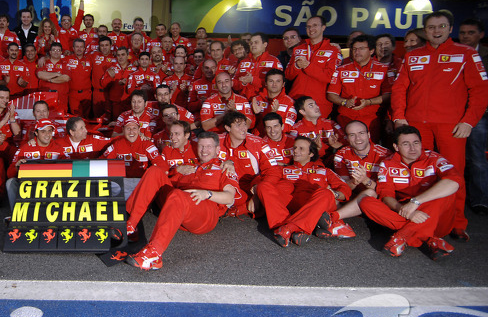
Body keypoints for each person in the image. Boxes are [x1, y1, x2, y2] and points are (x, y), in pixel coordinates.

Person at [392, 10, 488, 240]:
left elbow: (480, 91)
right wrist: (398, 117)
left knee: (452, 174)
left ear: (449, 29)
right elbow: (399, 88)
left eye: (441, 27)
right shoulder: (413, 56)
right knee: (416, 173)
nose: (436, 31)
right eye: (432, 27)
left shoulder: (465, 54)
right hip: (416, 125)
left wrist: (468, 121)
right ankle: (413, 214)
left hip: (451, 126)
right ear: (425, 31)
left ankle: (456, 222)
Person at [124, 131, 242, 271]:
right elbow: (165, 182)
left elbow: (230, 197)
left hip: (205, 211)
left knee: (177, 195)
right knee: (154, 171)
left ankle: (154, 255)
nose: (204, 151)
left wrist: (207, 194)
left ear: (217, 149)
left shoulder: (223, 168)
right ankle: (130, 226)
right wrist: (177, 170)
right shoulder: (191, 166)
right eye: (201, 146)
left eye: (209, 147)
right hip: (179, 207)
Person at [359, 125, 461, 260]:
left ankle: (402, 236)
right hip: (405, 212)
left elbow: (455, 181)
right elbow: (386, 195)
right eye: (406, 144)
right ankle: (428, 239)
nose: (412, 148)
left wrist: (416, 202)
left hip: (435, 218)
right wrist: (405, 210)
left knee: (444, 191)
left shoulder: (434, 158)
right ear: (396, 147)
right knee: (366, 201)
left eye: (416, 143)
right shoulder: (387, 164)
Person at [257, 136, 351, 247]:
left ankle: (288, 228)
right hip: (291, 207)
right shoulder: (283, 169)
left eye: (301, 148)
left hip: (317, 205)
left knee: (326, 193)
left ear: (311, 154)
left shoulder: (324, 171)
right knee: (263, 186)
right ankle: (296, 226)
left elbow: (345, 189)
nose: (296, 151)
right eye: (295, 148)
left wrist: (335, 194)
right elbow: (266, 181)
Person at [326, 34, 391, 138]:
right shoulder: (342, 69)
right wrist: (344, 102)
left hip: (372, 119)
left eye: (361, 48)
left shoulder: (383, 69)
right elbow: (331, 94)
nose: (357, 52)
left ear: (371, 51)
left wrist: (368, 102)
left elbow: (389, 95)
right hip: (345, 118)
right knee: (346, 150)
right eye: (354, 49)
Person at [217, 110, 279, 215]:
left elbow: (273, 171)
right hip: (225, 187)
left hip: (250, 189)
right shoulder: (216, 141)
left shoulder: (259, 143)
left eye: (245, 124)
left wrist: (257, 195)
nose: (243, 129)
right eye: (238, 125)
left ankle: (237, 208)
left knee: (273, 193)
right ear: (228, 128)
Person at [332, 120, 390, 224]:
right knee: (330, 194)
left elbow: (387, 192)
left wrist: (365, 180)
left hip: (376, 199)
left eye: (361, 133)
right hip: (352, 196)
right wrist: (354, 181)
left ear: (368, 134)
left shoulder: (386, 155)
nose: (358, 138)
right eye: (352, 135)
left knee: (370, 193)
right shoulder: (341, 155)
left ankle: (333, 217)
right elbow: (344, 188)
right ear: (347, 138)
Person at [458, 18, 488, 214]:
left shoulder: (485, 55)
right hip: (453, 114)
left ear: (481, 35)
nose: (466, 36)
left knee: (477, 158)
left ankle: (480, 201)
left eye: (470, 32)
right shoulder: (453, 53)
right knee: (455, 159)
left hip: (479, 116)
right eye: (462, 33)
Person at [285, 16, 340, 118]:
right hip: (296, 100)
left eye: (315, 25)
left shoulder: (333, 51)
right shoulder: (298, 49)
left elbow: (330, 77)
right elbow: (288, 75)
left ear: (323, 27)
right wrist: (296, 66)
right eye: (308, 26)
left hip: (318, 104)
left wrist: (308, 66)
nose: (311, 29)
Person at [292, 96, 345, 163]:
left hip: (334, 161)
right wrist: (314, 149)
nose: (317, 107)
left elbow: (348, 146)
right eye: (311, 106)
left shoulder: (331, 124)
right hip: (310, 163)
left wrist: (335, 144)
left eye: (316, 104)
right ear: (302, 112)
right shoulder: (296, 129)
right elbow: (294, 153)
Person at [250, 69, 297, 135]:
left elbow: (288, 128)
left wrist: (273, 115)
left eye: (278, 81)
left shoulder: (290, 103)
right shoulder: (256, 100)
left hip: (278, 141)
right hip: (258, 138)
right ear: (266, 83)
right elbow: (249, 125)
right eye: (271, 81)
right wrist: (256, 115)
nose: (274, 84)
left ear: (283, 84)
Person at [63, 38, 93, 117]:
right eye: (77, 47)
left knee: (87, 117)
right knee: (76, 117)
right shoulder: (67, 59)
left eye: (81, 47)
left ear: (84, 48)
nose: (79, 49)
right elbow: (54, 57)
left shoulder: (90, 59)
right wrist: (44, 58)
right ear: (73, 48)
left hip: (87, 94)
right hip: (73, 94)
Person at [36, 42, 70, 112]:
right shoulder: (43, 62)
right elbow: (40, 75)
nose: (56, 52)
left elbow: (65, 78)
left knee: (60, 119)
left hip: (61, 98)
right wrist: (57, 74)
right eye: (54, 50)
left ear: (61, 52)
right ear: (50, 52)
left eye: (58, 50)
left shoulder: (65, 63)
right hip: (45, 97)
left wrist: (49, 79)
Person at [90, 36, 117, 119]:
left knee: (109, 119)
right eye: (102, 45)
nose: (104, 47)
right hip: (97, 93)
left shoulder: (116, 57)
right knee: (96, 119)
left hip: (110, 93)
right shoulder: (93, 56)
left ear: (110, 46)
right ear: (99, 47)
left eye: (106, 45)